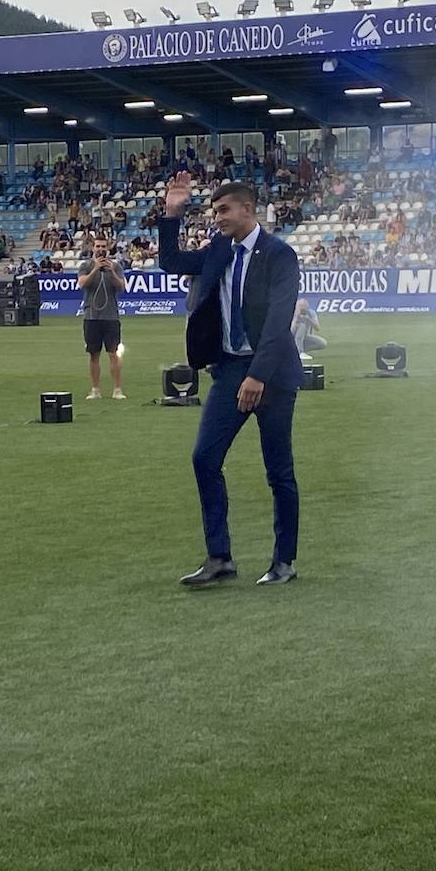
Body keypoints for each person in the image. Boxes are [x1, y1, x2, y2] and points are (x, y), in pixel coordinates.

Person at [159, 172, 301, 587]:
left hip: (270, 372)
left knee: (279, 471)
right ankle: (219, 557)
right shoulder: (218, 250)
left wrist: (258, 375)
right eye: (213, 211)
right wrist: (171, 213)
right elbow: (171, 262)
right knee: (204, 458)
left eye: (223, 210)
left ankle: (284, 562)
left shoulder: (280, 255)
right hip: (228, 370)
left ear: (247, 209)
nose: (217, 218)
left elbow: (279, 322)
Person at [77, 240, 126, 400]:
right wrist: (96, 269)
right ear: (93, 248)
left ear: (108, 248)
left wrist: (110, 271)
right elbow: (82, 284)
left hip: (111, 316)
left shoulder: (115, 266)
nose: (100, 249)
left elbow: (121, 286)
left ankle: (117, 389)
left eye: (103, 247)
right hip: (92, 316)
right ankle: (95, 389)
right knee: (93, 354)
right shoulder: (86, 266)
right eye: (98, 246)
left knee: (113, 353)